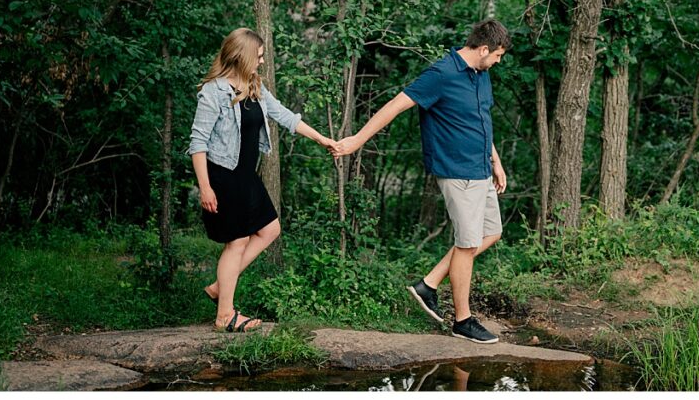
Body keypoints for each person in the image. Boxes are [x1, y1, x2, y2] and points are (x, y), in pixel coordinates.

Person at [331, 19, 510, 344]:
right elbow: (394, 107)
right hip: (458, 171)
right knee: (467, 244)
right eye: (497, 55)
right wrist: (355, 141)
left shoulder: (482, 76)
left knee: (491, 233)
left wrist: (495, 161)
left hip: (481, 168)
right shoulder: (441, 75)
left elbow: (481, 119)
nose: (498, 62)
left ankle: (428, 284)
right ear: (484, 49)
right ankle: (462, 320)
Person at [188, 27, 335, 333]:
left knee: (270, 229)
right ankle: (224, 315)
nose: (263, 60)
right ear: (242, 56)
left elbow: (286, 117)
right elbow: (198, 143)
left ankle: (220, 286)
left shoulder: (254, 86)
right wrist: (205, 186)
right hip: (223, 176)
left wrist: (323, 140)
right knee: (238, 241)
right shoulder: (213, 92)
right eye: (258, 55)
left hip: (246, 176)